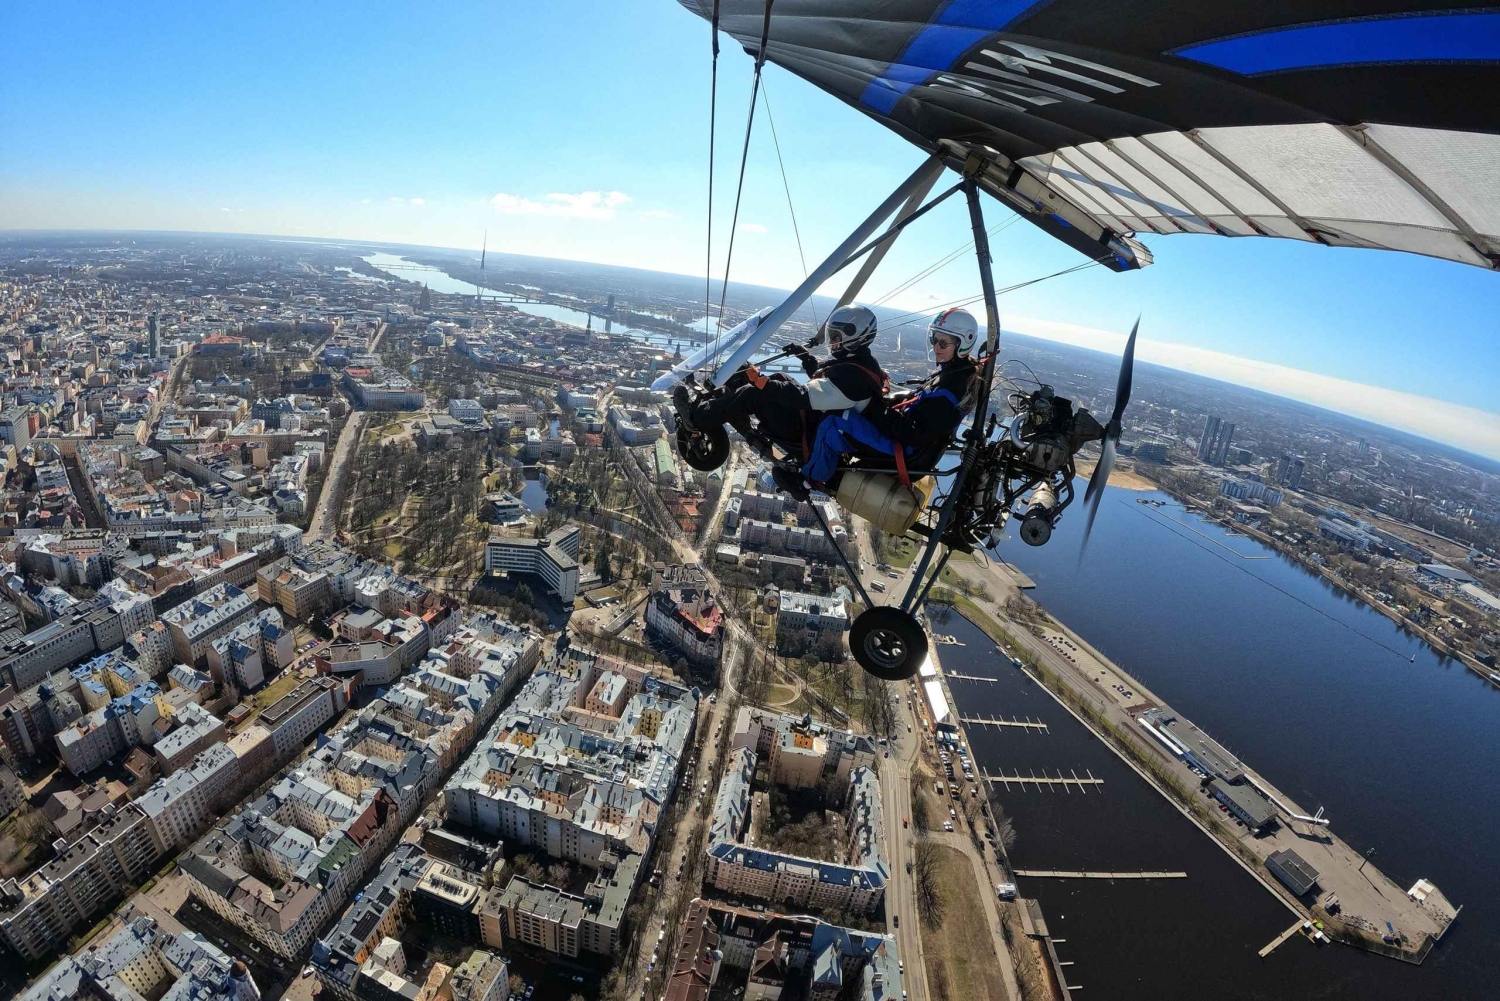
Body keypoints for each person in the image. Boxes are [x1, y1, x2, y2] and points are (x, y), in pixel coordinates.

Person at [774, 307, 980, 498]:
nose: (936, 347)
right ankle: (823, 460)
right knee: (850, 407)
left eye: (943, 343)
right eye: (934, 339)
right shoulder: (957, 372)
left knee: (835, 421)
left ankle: (808, 481)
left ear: (963, 343)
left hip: (906, 451)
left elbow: (911, 432)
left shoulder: (951, 389)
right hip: (908, 441)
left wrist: (875, 409)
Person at [673, 304, 887, 450]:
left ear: (855, 338)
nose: (832, 342)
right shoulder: (860, 363)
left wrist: (761, 382)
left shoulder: (855, 380)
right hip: (812, 420)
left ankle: (695, 419)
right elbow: (826, 385)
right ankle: (724, 407)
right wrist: (805, 358)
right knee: (778, 376)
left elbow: (804, 396)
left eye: (836, 338)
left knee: (752, 393)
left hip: (805, 432)